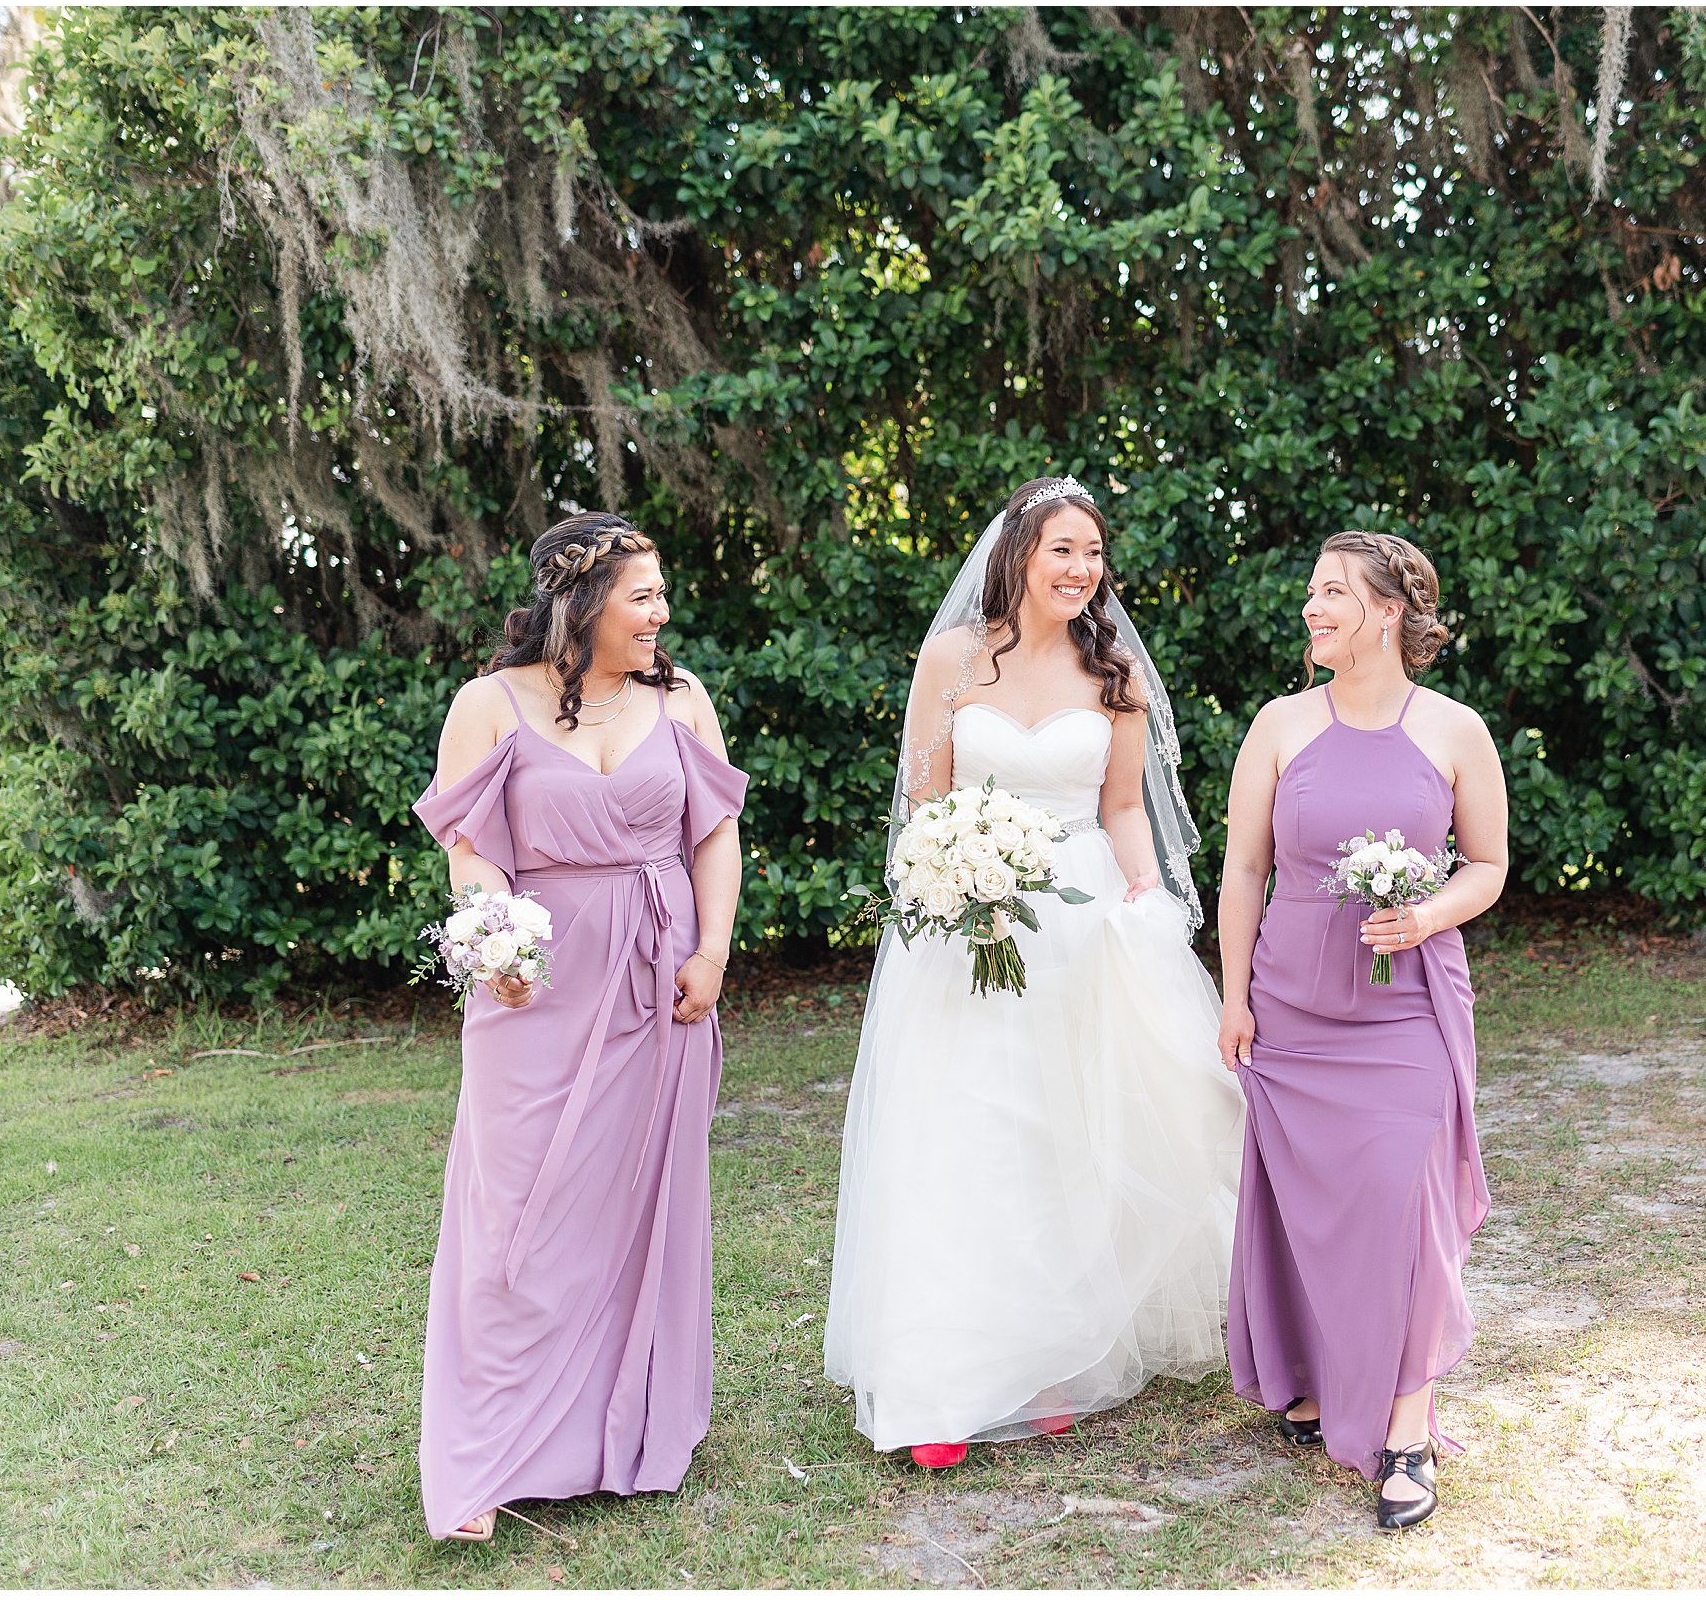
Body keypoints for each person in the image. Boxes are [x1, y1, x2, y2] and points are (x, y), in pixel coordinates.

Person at [824, 476, 1245, 1468]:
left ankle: (1049, 1353)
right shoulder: (950, 658)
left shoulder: (1115, 672)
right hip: (966, 919)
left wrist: (1145, 897)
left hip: (1079, 915)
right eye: (1064, 548)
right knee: (964, 1129)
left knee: (1063, 1130)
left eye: (1095, 552)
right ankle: (941, 1373)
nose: (1083, 568)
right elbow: (924, 795)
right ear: (1018, 555)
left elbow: (1125, 807)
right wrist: (945, 880)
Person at [411, 513, 747, 1542]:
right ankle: (481, 1455)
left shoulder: (681, 699)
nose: (662, 613)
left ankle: (621, 1431)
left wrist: (716, 947)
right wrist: (496, 942)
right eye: (643, 595)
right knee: (514, 1212)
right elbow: (472, 851)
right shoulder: (487, 704)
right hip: (537, 986)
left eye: (661, 595)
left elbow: (717, 834)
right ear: (583, 600)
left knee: (636, 1204)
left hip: (662, 977)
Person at [1217, 530, 1506, 1532]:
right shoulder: (1280, 725)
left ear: (1388, 609)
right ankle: (1305, 1374)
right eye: (1310, 591)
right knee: (1308, 1195)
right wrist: (1233, 993)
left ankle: (1408, 1426)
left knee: (1405, 1200)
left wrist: (1425, 915)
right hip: (1292, 1006)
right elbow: (1244, 868)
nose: (1312, 606)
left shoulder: (1456, 729)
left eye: (1332, 591)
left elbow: (1489, 865)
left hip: (1406, 1008)